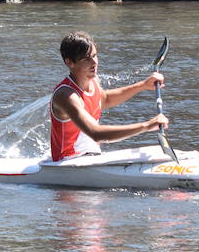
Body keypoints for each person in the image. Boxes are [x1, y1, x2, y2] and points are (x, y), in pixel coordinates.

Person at [48, 32, 169, 162]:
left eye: (94, 56)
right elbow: (96, 133)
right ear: (70, 63)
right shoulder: (66, 96)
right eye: (86, 59)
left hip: (90, 157)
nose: (94, 62)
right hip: (67, 162)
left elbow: (105, 99)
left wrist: (143, 85)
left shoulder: (92, 80)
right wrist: (146, 126)